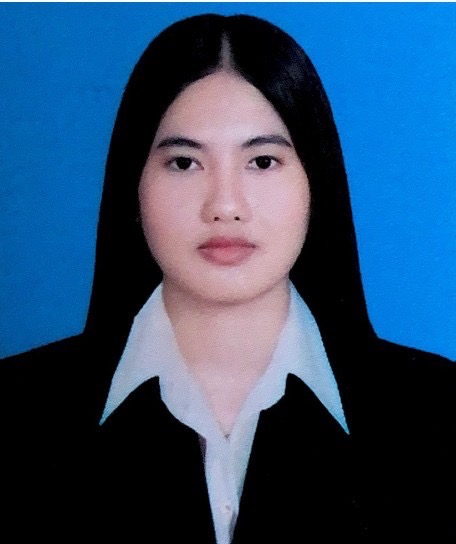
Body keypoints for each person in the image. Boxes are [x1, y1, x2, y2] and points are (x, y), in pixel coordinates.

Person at [0, 13, 454, 543]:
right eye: (184, 163)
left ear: (317, 183)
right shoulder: (15, 411)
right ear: (133, 185)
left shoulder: (439, 412)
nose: (225, 206)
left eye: (262, 161)